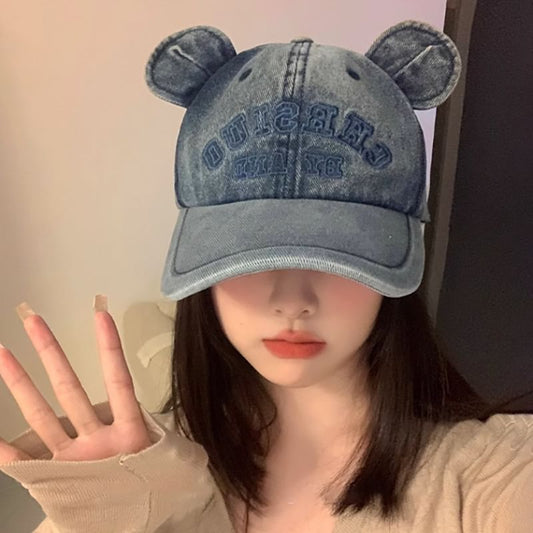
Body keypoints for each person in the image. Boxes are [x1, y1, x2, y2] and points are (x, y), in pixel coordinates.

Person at [1, 19, 532, 533]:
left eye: (337, 254)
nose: (292, 300)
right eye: (251, 255)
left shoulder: (491, 477)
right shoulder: (132, 472)